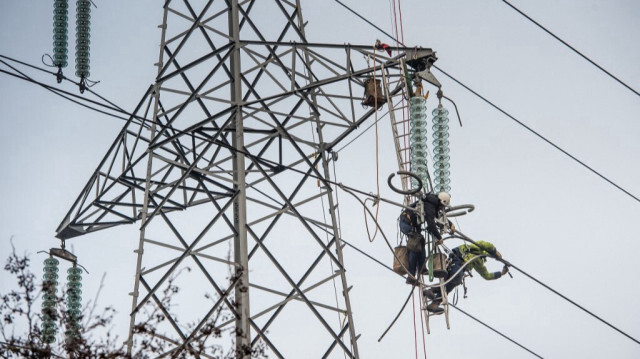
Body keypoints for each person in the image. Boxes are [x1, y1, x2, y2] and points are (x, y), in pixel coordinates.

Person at [423, 240, 509, 313]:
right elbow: (486, 245)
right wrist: (495, 252)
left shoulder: (478, 262)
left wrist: (501, 273)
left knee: (450, 284)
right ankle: (433, 295)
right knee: (456, 279)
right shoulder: (477, 247)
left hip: (460, 266)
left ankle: (434, 300)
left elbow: (486, 275)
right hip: (457, 258)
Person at [399, 192, 454, 285]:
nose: (442, 208)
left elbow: (437, 217)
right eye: (442, 206)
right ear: (440, 202)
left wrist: (450, 224)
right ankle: (411, 276)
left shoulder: (433, 204)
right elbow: (431, 223)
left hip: (413, 224)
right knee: (415, 244)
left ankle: (421, 268)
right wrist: (439, 237)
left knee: (421, 241)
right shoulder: (430, 204)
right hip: (407, 222)